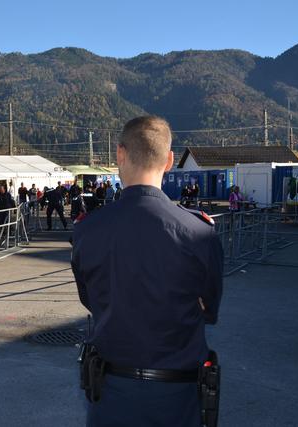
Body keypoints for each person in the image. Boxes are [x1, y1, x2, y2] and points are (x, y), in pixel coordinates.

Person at [72, 116, 223, 427]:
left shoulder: (89, 230)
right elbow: (209, 307)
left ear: (120, 155)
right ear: (169, 161)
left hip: (111, 392)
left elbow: (89, 298)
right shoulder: (199, 231)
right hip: (178, 394)